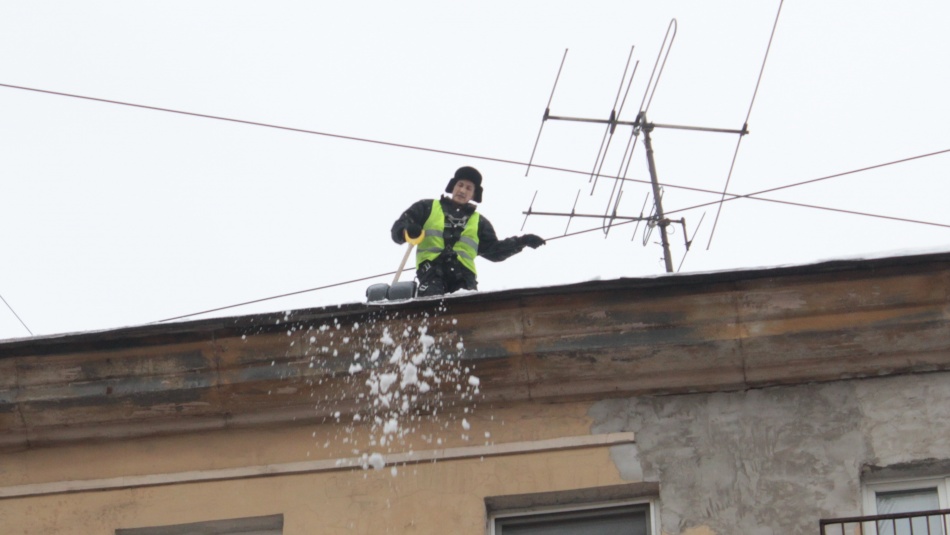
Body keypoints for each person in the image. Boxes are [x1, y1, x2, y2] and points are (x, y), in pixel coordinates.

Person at [391, 166, 546, 297]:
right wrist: (407, 230)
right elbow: (399, 227)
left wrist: (522, 241)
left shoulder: (479, 222)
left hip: (464, 278)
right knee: (431, 308)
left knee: (466, 313)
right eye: (460, 185)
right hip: (431, 272)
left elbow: (494, 251)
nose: (462, 190)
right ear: (453, 186)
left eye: (468, 188)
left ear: (474, 194)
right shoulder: (427, 207)